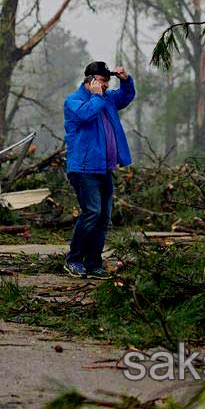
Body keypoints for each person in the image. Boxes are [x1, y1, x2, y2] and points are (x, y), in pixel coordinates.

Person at [62, 61, 135, 279]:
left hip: (104, 168)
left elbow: (125, 97)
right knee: (91, 212)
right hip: (84, 169)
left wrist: (125, 81)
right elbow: (86, 115)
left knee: (103, 217)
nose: (105, 86)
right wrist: (96, 96)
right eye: (101, 82)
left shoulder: (107, 99)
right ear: (90, 80)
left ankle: (93, 263)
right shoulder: (73, 101)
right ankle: (74, 260)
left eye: (107, 82)